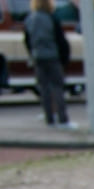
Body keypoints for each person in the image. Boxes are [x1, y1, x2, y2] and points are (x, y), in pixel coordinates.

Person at [24, 0, 72, 129]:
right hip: (53, 56)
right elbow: (60, 40)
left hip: (38, 57)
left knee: (44, 89)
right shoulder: (51, 18)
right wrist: (65, 58)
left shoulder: (29, 19)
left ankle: (49, 119)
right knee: (57, 88)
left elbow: (27, 40)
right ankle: (63, 119)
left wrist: (32, 54)